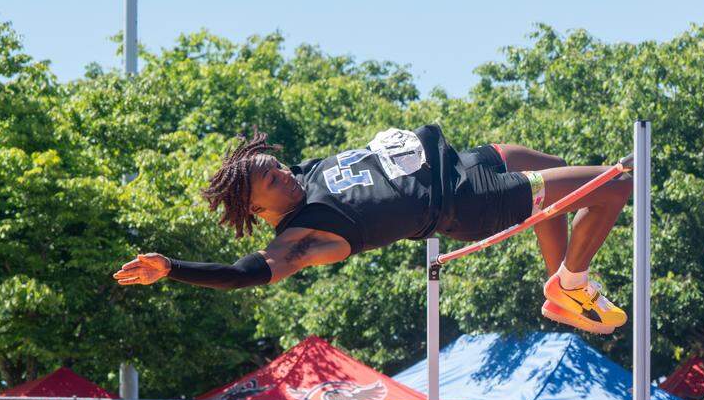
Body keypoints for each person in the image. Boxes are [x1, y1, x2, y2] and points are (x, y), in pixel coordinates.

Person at [113, 126, 633, 335]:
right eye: (272, 179)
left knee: (555, 170)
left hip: (460, 162)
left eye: (278, 166)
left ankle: (563, 290)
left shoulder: (305, 176)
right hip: (467, 203)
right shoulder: (302, 237)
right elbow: (240, 275)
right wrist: (173, 268)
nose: (286, 174)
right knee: (614, 186)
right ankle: (571, 284)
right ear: (255, 206)